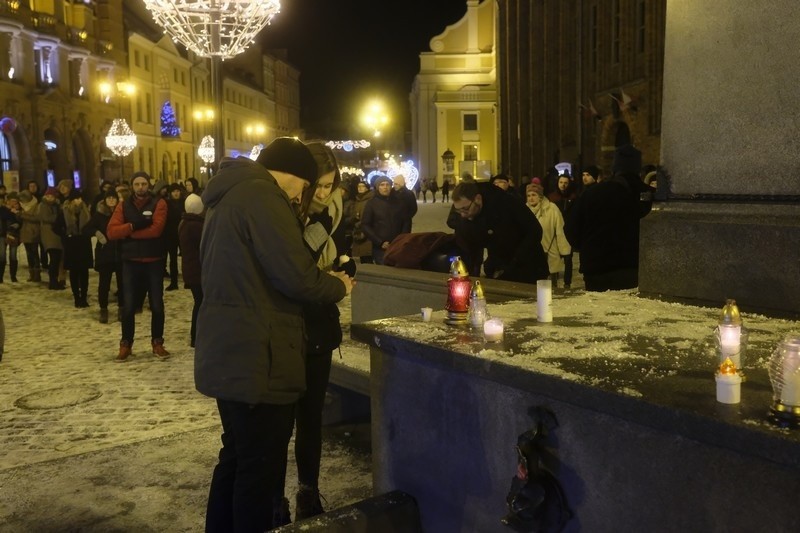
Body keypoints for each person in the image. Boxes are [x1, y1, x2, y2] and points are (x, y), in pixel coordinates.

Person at [195, 137, 352, 532]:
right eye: (307, 184)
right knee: (258, 473)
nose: (305, 195)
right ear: (294, 175)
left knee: (236, 459)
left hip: (229, 349)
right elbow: (297, 276)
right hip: (256, 356)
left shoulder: (229, 195)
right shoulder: (263, 197)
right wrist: (338, 285)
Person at [287, 141, 345, 519]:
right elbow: (297, 265)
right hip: (289, 327)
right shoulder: (284, 212)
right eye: (317, 186)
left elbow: (316, 264)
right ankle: (274, 496)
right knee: (280, 422)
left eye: (329, 185)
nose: (323, 193)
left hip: (320, 327)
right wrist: (321, 230)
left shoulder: (331, 210)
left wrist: (341, 270)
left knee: (311, 418)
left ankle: (309, 490)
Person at [107, 171, 170, 362]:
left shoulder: (159, 203)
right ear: (132, 186)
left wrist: (128, 233)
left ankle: (157, 342)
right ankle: (126, 344)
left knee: (157, 305)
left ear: (148, 185)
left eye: (143, 184)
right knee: (128, 306)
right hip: (130, 261)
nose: (140, 187)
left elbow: (156, 230)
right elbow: (112, 231)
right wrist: (134, 226)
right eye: (137, 184)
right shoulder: (123, 205)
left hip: (154, 260)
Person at [565, 145, 646, 291]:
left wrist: (585, 247)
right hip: (634, 267)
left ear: (614, 169)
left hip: (597, 268)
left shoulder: (592, 194)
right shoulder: (648, 195)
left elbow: (571, 227)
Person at [448, 181, 549, 283]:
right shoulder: (466, 219)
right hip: (500, 270)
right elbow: (468, 248)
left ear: (478, 199)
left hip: (530, 267)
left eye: (465, 209)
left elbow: (535, 230)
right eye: (458, 210)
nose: (463, 215)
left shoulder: (505, 203)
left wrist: (516, 260)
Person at [85, 191, 123, 323]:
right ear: (105, 200)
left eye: (114, 198)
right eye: (109, 198)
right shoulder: (99, 214)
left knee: (122, 283)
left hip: (120, 252)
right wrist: (98, 233)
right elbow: (87, 228)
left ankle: (122, 309)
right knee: (104, 284)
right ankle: (103, 310)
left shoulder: (122, 213)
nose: (112, 200)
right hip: (105, 252)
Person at [526, 181, 571, 286]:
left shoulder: (551, 209)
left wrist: (564, 251)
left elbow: (560, 230)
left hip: (550, 252)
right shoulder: (525, 210)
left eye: (534, 195)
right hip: (532, 254)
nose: (531, 198)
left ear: (540, 196)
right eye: (528, 195)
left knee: (551, 286)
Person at [178, 193, 204, 347]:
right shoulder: (195, 225)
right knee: (200, 303)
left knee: (199, 302)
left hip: (192, 270)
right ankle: (196, 336)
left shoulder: (185, 223)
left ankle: (196, 336)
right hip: (198, 271)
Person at [361, 175, 404, 265]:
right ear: (377, 187)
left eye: (387, 184)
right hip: (380, 247)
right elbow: (365, 225)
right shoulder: (371, 203)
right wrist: (379, 242)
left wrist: (403, 239)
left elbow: (405, 221)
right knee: (384, 272)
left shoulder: (398, 202)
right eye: (382, 185)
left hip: (398, 245)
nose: (385, 187)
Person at [62, 189, 93, 308]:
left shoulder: (86, 210)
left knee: (84, 272)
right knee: (74, 272)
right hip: (71, 243)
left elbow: (91, 224)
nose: (79, 201)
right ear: (71, 200)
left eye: (80, 198)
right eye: (76, 198)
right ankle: (76, 297)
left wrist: (88, 232)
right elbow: (57, 226)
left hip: (84, 242)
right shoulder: (65, 211)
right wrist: (66, 234)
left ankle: (84, 297)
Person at [548, 174, 577, 288]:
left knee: (568, 258)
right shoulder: (552, 197)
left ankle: (567, 282)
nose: (563, 185)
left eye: (565, 183)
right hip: (555, 230)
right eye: (561, 182)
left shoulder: (573, 197)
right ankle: (554, 281)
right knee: (554, 257)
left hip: (568, 230)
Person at [36, 187, 65, 290]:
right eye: (48, 196)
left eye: (52, 196)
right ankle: (52, 282)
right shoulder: (43, 205)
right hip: (49, 234)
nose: (50, 198)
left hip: (56, 234)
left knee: (57, 259)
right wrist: (59, 217)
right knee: (54, 258)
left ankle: (55, 281)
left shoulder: (57, 206)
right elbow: (45, 217)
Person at [16, 190, 41, 282]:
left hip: (34, 232)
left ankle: (37, 274)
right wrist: (18, 215)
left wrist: (22, 215)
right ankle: (32, 274)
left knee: (34, 253)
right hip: (25, 232)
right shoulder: (22, 207)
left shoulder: (36, 206)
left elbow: (36, 218)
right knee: (29, 254)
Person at [164, 183, 184, 291]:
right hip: (171, 234)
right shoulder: (167, 203)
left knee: (185, 258)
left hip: (182, 233)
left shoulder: (184, 202)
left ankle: (188, 280)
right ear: (170, 193)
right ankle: (174, 282)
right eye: (174, 191)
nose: (176, 193)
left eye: (177, 191)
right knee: (172, 259)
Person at [0, 191, 22, 283]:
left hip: (13, 234)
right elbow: (3, 217)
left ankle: (13, 276)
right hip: (2, 234)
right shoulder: (2, 209)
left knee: (13, 255)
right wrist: (10, 211)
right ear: (7, 201)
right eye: (12, 201)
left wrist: (17, 214)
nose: (13, 203)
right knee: (2, 255)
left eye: (15, 201)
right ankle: (0, 277)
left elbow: (21, 221)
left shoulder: (18, 211)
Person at [350, 180, 374, 263]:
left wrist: (359, 222)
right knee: (362, 256)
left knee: (366, 255)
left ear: (367, 188)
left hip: (365, 229)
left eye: (362, 186)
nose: (360, 188)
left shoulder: (369, 199)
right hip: (358, 229)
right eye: (358, 186)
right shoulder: (358, 199)